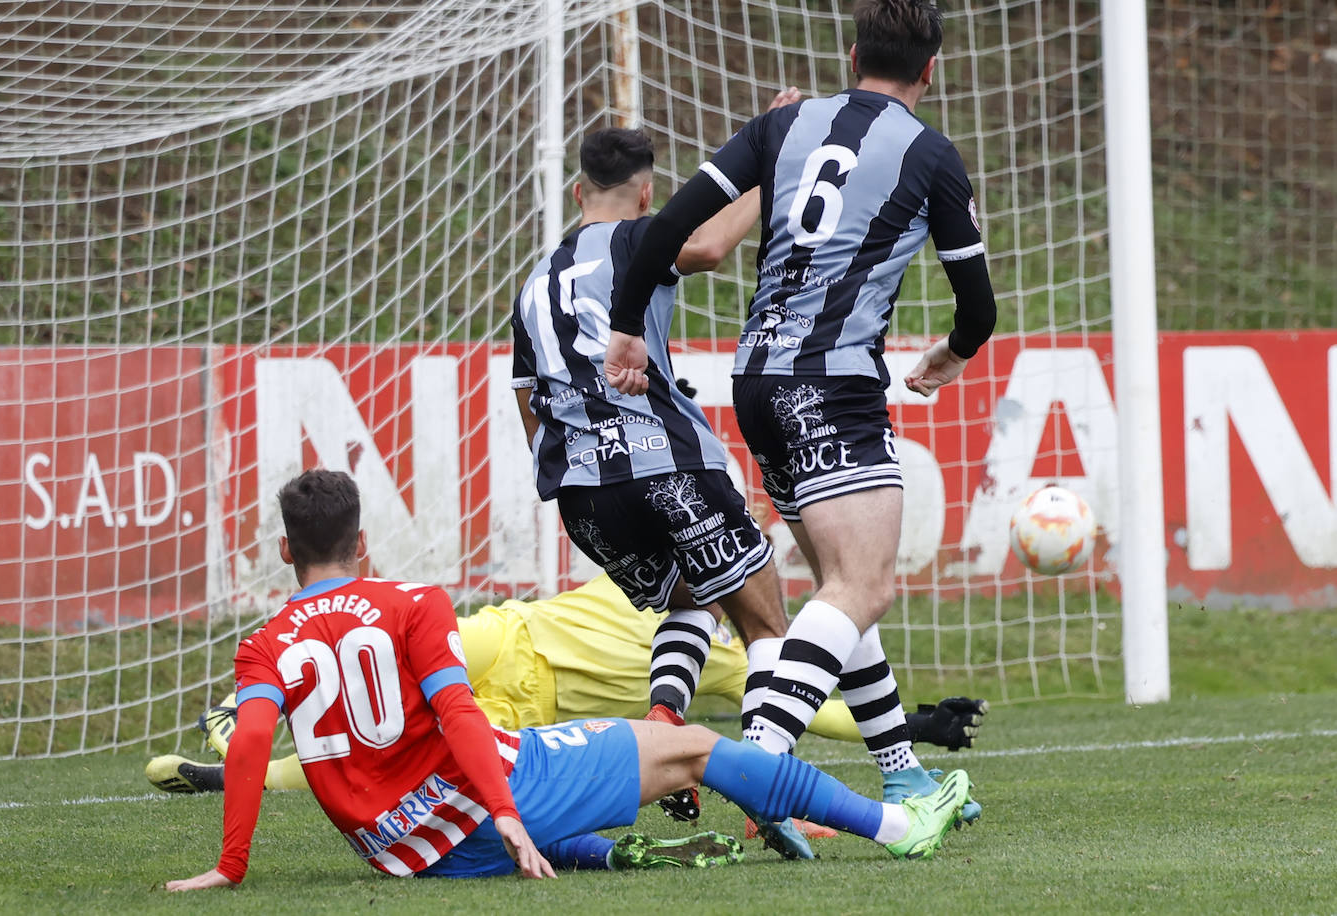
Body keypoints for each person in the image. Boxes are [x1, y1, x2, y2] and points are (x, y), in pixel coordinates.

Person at [163, 469, 970, 891]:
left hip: (400, 851)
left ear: (284, 551)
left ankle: (612, 859)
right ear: (362, 543)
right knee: (691, 743)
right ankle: (899, 827)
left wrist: (231, 867)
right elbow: (457, 715)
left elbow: (254, 745)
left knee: (545, 758)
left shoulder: (265, 642)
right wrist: (508, 814)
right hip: (485, 809)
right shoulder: (410, 601)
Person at [602, 0, 997, 820]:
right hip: (833, 385)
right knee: (865, 585)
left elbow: (665, 228)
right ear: (933, 70)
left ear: (852, 54)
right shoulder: (931, 154)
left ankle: (901, 770)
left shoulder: (783, 127)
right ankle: (763, 772)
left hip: (758, 382)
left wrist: (628, 332)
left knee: (836, 587)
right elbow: (979, 307)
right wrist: (949, 356)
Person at [510, 103, 815, 847]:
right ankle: (767, 795)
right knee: (766, 619)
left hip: (582, 496)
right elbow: (708, 244)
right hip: (666, 464)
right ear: (648, 194)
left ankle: (663, 720)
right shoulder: (643, 234)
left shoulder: (530, 285)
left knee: (696, 597)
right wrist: (768, 168)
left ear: (578, 192)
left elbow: (528, 410)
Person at [146, 573, 987, 793]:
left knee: (395, 752)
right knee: (382, 656)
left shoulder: (731, 655)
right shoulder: (655, 577)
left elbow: (810, 706)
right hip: (501, 639)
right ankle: (255, 703)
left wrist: (908, 725)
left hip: (525, 710)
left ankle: (235, 769)